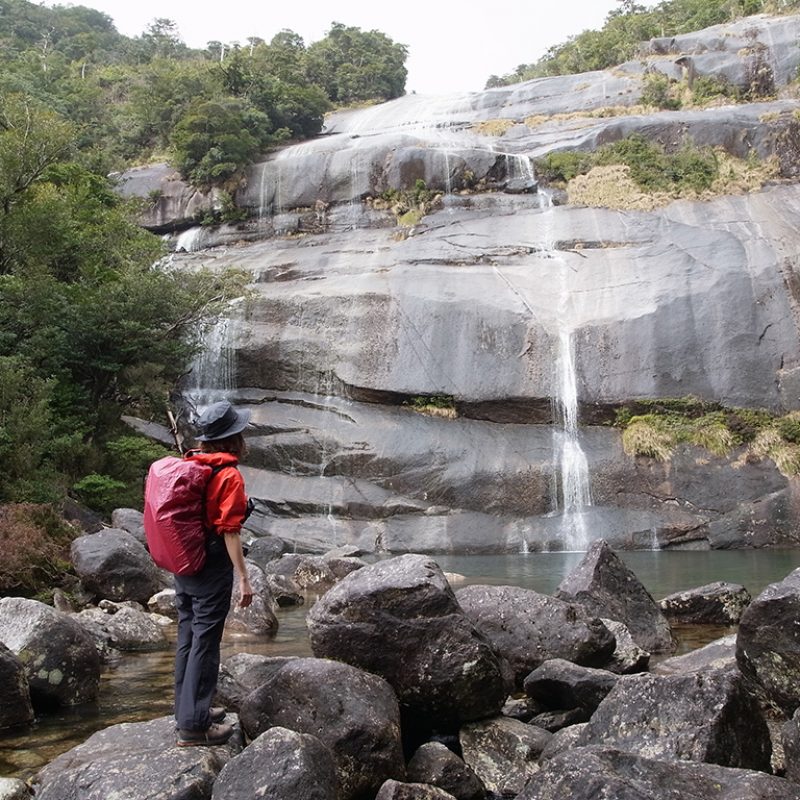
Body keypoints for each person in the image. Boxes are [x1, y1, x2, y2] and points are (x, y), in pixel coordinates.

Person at [173, 400, 254, 747]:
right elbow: (229, 530)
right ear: (234, 438)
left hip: (185, 562)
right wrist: (244, 578)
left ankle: (187, 710)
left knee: (187, 637)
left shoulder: (192, 463)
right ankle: (194, 726)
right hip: (211, 565)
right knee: (206, 643)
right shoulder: (229, 475)